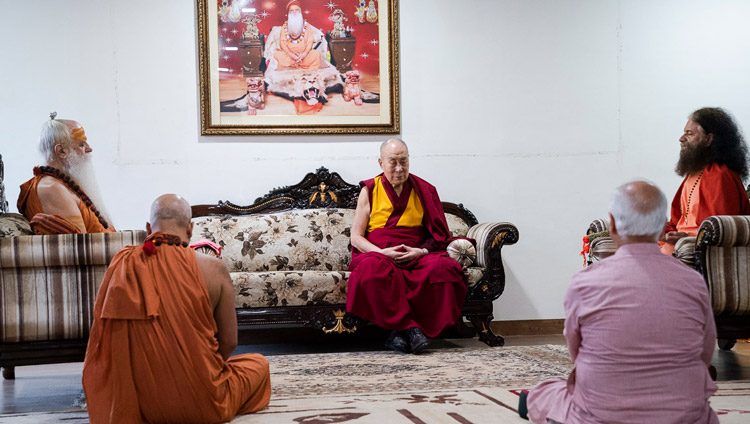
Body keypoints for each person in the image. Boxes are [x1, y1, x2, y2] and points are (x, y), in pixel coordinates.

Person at [522, 180, 717, 423]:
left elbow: (576, 353)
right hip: (683, 415)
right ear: (661, 227)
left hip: (601, 415)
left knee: (547, 391)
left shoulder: (584, 283)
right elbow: (705, 352)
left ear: (612, 224)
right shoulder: (694, 282)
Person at [82, 194, 271, 423]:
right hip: (205, 402)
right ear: (190, 230)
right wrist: (198, 370)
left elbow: (106, 343)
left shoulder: (123, 265)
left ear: (148, 228)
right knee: (258, 364)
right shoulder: (214, 268)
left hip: (142, 405)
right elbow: (230, 341)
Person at [347, 138, 468, 354]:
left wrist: (420, 251)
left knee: (444, 268)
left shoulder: (424, 189)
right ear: (380, 162)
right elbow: (356, 237)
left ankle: (399, 333)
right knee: (371, 270)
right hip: (380, 254)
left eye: (404, 161)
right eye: (393, 162)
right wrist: (382, 252)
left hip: (415, 254)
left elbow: (437, 235)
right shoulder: (370, 189)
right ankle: (411, 329)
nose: (399, 168)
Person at [660, 107, 750, 255]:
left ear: (709, 139)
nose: (681, 138)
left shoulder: (719, 175)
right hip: (678, 246)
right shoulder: (694, 172)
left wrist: (686, 238)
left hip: (693, 250)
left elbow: (721, 231)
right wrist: (665, 233)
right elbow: (679, 222)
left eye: (690, 133)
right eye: (684, 133)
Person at [17, 112, 115, 234]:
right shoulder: (52, 189)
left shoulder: (63, 183)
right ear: (61, 151)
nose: (89, 149)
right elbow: (81, 246)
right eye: (82, 144)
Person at [272, 0, 322, 70]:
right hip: (289, 55)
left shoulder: (306, 25)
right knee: (276, 55)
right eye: (292, 11)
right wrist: (291, 54)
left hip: (304, 55)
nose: (294, 12)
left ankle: (295, 65)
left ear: (300, 12)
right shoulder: (285, 26)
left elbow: (310, 41)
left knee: (316, 54)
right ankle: (297, 63)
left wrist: (304, 54)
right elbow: (282, 43)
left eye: (296, 10)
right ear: (289, 13)